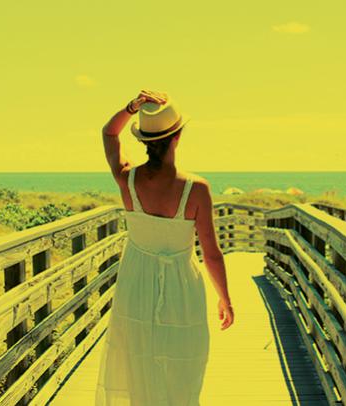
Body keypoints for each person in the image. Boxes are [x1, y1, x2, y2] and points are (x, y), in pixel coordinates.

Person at [93, 90, 234, 405]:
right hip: (181, 287)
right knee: (183, 367)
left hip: (135, 283)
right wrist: (225, 298)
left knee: (137, 362)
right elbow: (211, 253)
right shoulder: (196, 189)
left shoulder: (127, 178)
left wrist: (132, 107)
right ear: (178, 137)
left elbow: (109, 133)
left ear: (144, 140)